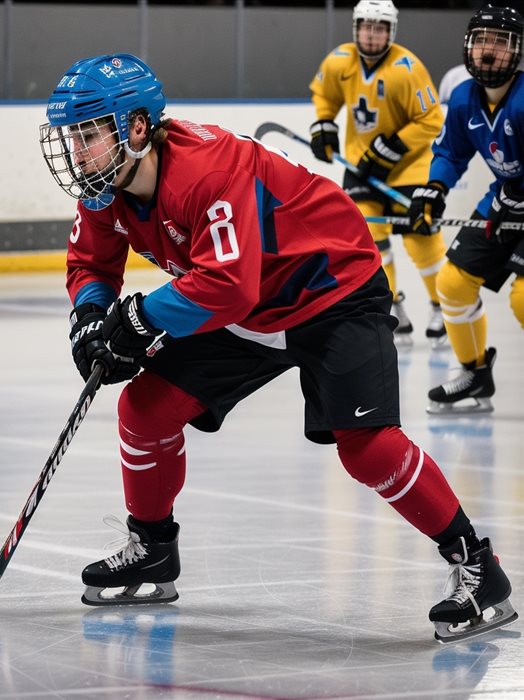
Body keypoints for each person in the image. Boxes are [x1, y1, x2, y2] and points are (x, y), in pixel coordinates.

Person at [39, 53, 517, 642]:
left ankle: (478, 567)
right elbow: (92, 260)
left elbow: (227, 285)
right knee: (144, 409)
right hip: (252, 306)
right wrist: (89, 316)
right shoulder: (105, 185)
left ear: (136, 127)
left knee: (366, 448)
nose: (75, 150)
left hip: (332, 289)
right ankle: (154, 550)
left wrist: (139, 317)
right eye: (72, 136)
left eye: (87, 134)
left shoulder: (205, 172)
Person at [309, 0, 447, 348]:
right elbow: (325, 93)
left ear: (391, 31)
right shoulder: (340, 60)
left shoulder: (407, 67)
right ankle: (393, 306)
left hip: (410, 168)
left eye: (380, 27)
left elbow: (431, 119)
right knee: (369, 239)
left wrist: (393, 147)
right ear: (356, 27)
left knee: (421, 241)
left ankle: (441, 308)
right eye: (367, 26)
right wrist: (324, 123)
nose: (372, 33)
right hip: (362, 167)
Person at [408, 4, 523, 415]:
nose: (489, 50)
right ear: (468, 47)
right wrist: (433, 190)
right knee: (453, 283)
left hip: (515, 201)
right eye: (482, 40)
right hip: (503, 201)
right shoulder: (462, 99)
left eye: (500, 41)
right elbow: (450, 153)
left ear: (517, 51)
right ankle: (476, 373)